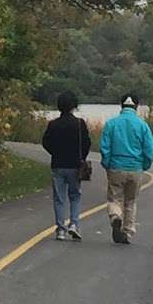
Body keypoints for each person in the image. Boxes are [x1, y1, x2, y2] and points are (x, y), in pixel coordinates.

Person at [99, 94, 153, 244]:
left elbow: (105, 147)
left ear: (121, 106)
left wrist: (106, 162)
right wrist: (145, 164)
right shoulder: (142, 125)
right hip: (135, 168)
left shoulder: (111, 124)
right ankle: (127, 231)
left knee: (114, 198)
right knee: (131, 201)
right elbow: (149, 147)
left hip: (116, 167)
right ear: (136, 107)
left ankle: (116, 216)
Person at [41, 91, 92, 242]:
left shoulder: (53, 124)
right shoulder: (79, 124)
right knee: (75, 196)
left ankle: (60, 230)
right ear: (74, 106)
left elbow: (46, 142)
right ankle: (74, 224)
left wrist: (54, 153)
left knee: (59, 198)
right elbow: (87, 143)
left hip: (58, 164)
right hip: (75, 165)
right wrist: (82, 157)